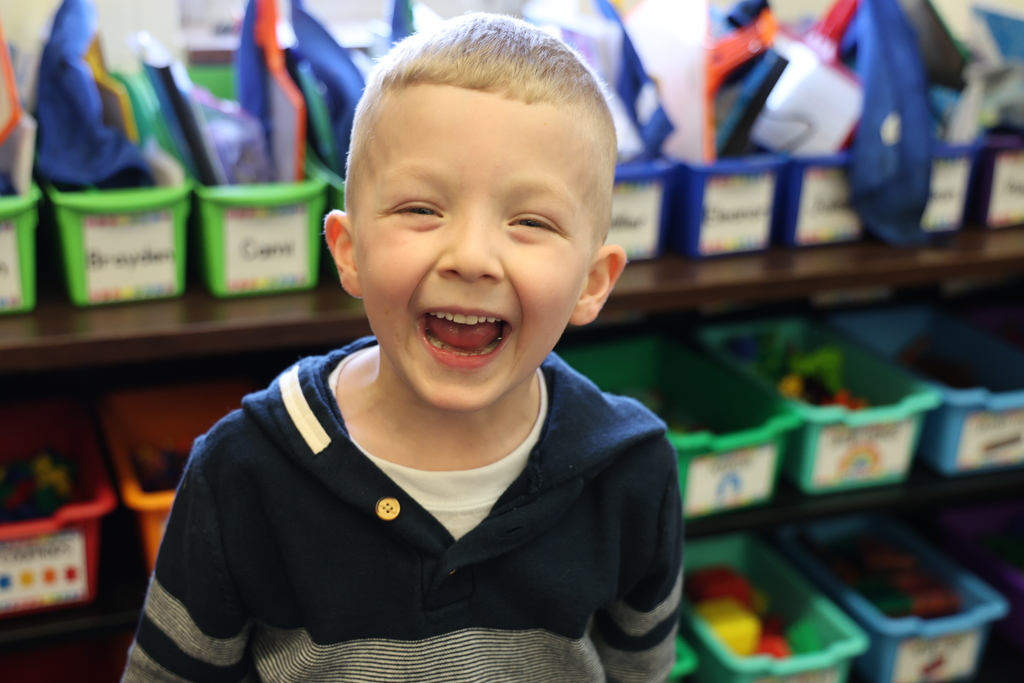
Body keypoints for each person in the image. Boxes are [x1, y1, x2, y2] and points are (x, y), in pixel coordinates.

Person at [122, 12, 683, 683]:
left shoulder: (632, 471)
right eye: (422, 209)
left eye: (530, 220)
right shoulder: (241, 473)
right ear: (349, 252)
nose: (472, 257)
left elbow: (639, 674)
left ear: (593, 284)